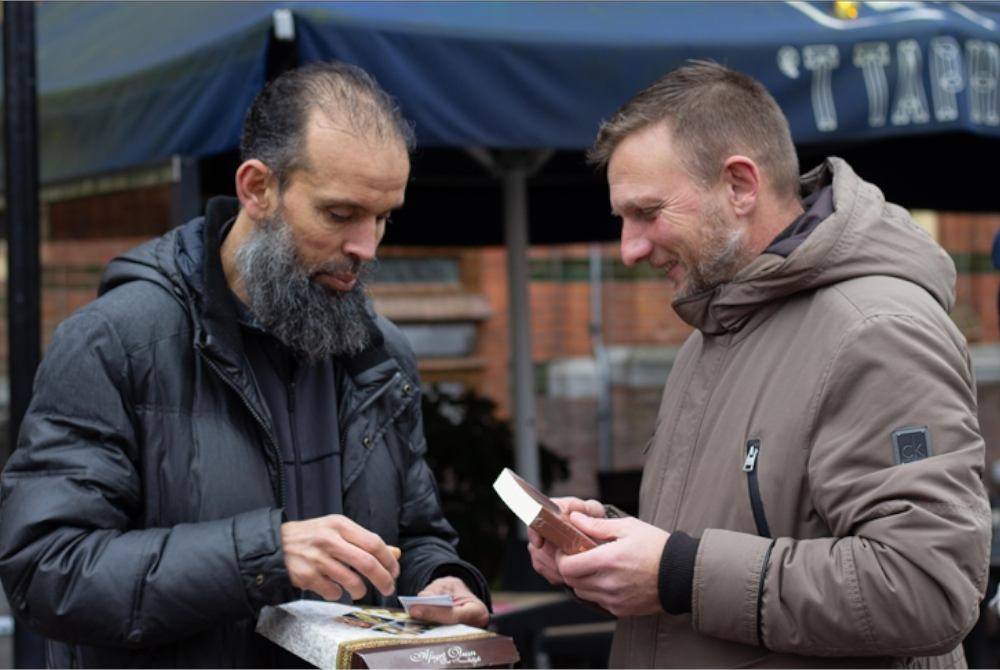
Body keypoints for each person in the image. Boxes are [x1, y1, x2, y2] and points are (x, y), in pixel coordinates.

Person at [0, 62, 489, 668]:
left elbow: (415, 533)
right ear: (257, 188)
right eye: (340, 215)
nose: (367, 246)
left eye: (384, 216)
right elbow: (49, 572)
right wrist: (266, 554)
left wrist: (440, 579)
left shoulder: (380, 352)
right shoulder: (113, 341)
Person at [528, 61, 991, 668]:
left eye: (646, 212)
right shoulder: (716, 329)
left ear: (740, 185)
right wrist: (609, 550)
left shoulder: (877, 330)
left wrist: (675, 573)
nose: (630, 249)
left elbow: (926, 588)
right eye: (623, 220)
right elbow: (722, 548)